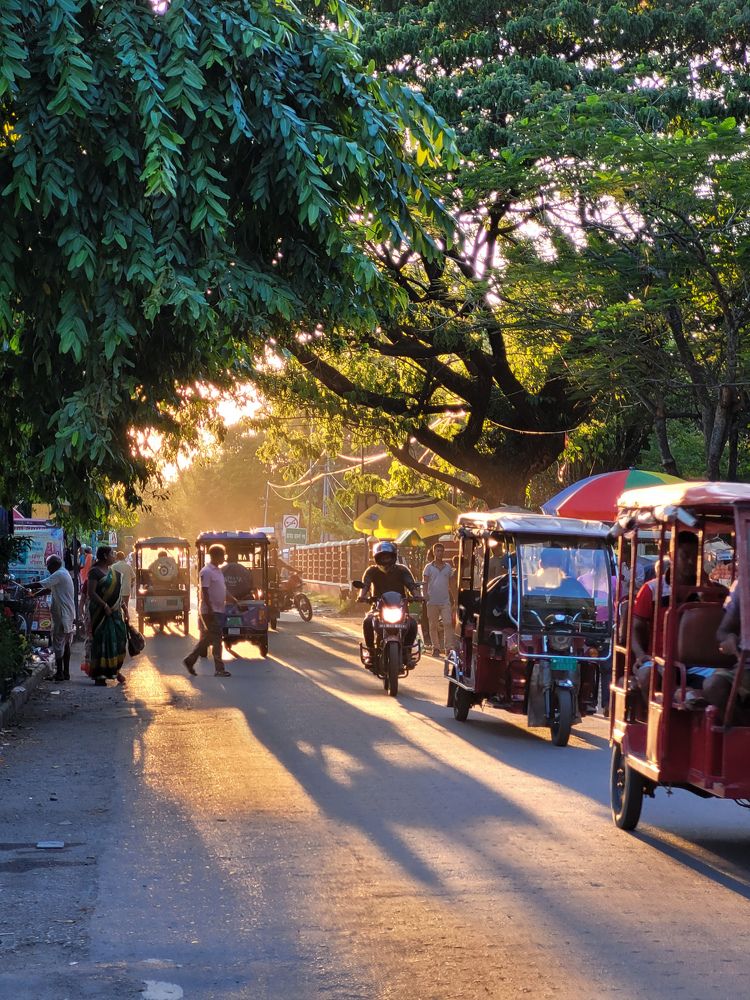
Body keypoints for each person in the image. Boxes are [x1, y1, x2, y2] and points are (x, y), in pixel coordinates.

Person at [632, 532, 705, 699]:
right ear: (672, 555)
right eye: (685, 556)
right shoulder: (651, 589)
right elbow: (636, 627)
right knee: (646, 677)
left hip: (698, 663)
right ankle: (654, 721)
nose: (691, 562)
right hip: (658, 661)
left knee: (724, 684)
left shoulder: (708, 590)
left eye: (696, 556)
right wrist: (640, 654)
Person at [359, 541, 421, 662]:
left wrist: (417, 596)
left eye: (388, 556)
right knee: (367, 621)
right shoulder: (371, 571)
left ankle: (407, 653)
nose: (385, 559)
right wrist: (362, 596)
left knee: (412, 624)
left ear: (393, 556)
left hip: (400, 608)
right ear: (377, 558)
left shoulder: (402, 570)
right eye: (382, 556)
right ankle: (371, 652)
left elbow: (411, 585)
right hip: (377, 609)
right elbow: (365, 585)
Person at [183, 544, 239, 678]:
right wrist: (211, 609)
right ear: (215, 556)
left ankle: (190, 660)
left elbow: (222, 590)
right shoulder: (206, 571)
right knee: (216, 638)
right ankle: (219, 669)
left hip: (219, 610)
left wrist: (234, 600)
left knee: (209, 638)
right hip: (210, 611)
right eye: (222, 555)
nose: (224, 558)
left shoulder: (218, 571)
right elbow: (205, 592)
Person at [84, 546, 127, 686]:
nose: (114, 556)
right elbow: (91, 593)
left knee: (120, 639)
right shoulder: (94, 572)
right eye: (111, 554)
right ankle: (100, 675)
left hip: (115, 612)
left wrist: (125, 608)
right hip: (100, 613)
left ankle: (115, 670)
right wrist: (104, 606)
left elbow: (118, 595)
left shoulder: (114, 573)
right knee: (103, 641)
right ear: (104, 556)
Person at [31, 555, 76, 683]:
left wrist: (25, 586)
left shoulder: (59, 574)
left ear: (53, 565)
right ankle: (65, 673)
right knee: (66, 643)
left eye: (48, 566)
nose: (47, 568)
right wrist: (34, 595)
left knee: (58, 645)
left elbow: (41, 583)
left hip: (62, 615)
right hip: (66, 614)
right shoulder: (63, 573)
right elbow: (48, 589)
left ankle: (60, 673)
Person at [422, 542, 455, 656]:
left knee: (448, 623)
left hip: (445, 600)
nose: (440, 553)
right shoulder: (428, 567)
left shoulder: (448, 567)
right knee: (433, 625)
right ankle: (436, 647)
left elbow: (452, 584)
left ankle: (449, 648)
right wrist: (425, 595)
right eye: (438, 551)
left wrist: (455, 599)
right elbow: (425, 582)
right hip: (432, 601)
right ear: (434, 552)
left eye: (441, 551)